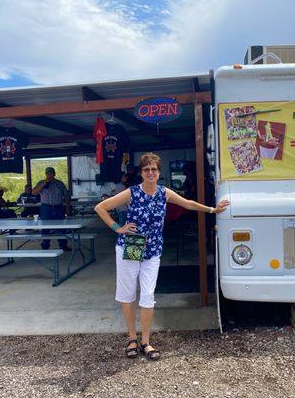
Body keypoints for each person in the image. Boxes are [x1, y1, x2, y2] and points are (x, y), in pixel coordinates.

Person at [95, 152, 229, 361]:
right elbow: (101, 207)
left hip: (152, 251)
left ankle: (146, 341)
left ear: (159, 173)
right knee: (127, 294)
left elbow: (189, 204)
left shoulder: (164, 193)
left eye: (154, 169)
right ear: (141, 173)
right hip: (130, 247)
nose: (150, 173)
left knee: (148, 295)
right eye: (146, 169)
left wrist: (213, 209)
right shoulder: (132, 193)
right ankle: (132, 339)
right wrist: (117, 228)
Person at [32, 167, 71, 252]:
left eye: (51, 173)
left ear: (54, 174)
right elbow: (34, 192)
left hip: (59, 207)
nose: (50, 175)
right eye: (48, 173)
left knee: (61, 227)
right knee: (45, 227)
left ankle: (63, 245)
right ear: (45, 174)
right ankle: (45, 245)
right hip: (46, 208)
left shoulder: (59, 183)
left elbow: (67, 196)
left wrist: (67, 208)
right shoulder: (41, 182)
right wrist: (43, 184)